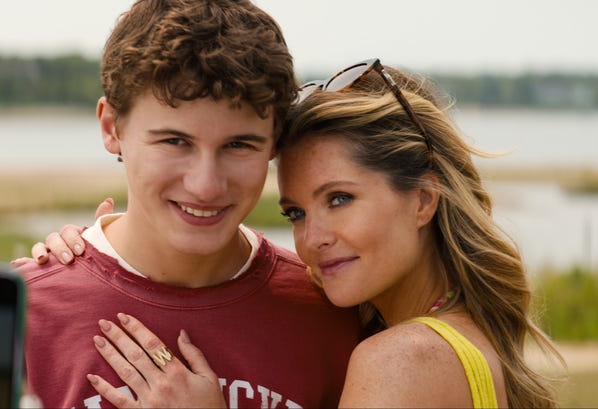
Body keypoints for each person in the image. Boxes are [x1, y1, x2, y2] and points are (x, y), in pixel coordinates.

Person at [59, 58, 564, 408]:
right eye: (296, 213)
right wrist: (97, 255)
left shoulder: (401, 360)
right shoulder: (466, 340)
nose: (312, 239)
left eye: (339, 199)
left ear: (423, 200)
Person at [13, 1, 362, 408]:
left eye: (239, 145)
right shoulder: (24, 315)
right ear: (112, 127)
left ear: (274, 142)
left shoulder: (331, 314)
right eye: (175, 141)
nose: (206, 185)